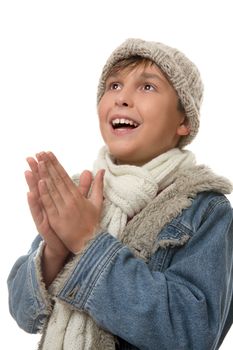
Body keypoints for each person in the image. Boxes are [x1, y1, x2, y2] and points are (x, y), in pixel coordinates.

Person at [7, 38, 233, 350]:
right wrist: (53, 254)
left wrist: (88, 242)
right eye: (113, 85)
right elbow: (23, 314)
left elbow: (194, 332)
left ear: (184, 121)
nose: (122, 98)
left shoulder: (206, 209)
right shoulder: (79, 194)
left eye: (148, 87)